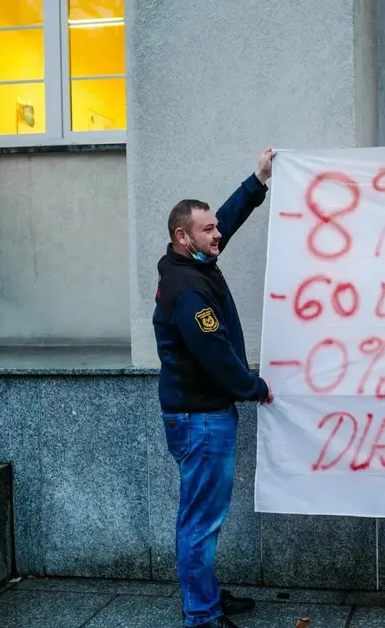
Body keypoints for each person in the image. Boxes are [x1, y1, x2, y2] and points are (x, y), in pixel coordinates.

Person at [152, 148, 277, 628]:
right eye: (207, 230)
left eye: (214, 228)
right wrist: (254, 386)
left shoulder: (190, 262)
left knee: (203, 518)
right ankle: (202, 616)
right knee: (200, 522)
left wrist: (256, 180)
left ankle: (205, 597)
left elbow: (223, 220)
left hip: (201, 414)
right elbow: (217, 356)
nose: (217, 233)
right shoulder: (188, 290)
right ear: (183, 237)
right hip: (201, 420)